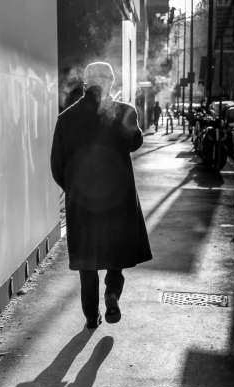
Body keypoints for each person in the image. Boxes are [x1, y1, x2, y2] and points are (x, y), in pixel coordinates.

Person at [50, 62, 152, 328]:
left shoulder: (66, 120)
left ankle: (90, 317)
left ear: (85, 84)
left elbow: (56, 166)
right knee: (115, 257)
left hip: (81, 205)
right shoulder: (124, 112)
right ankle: (112, 294)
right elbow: (136, 142)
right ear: (111, 83)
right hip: (118, 203)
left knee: (88, 264)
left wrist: (74, 191)